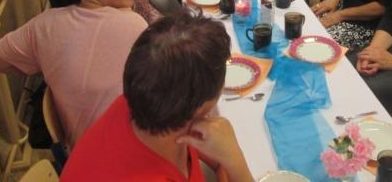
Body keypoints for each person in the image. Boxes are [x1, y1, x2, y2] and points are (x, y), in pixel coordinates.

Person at [0, 0, 148, 147]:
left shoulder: (44, 24)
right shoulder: (134, 25)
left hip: (77, 151)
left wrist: (47, 65)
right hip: (121, 150)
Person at [61, 10, 254, 182]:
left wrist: (225, 160)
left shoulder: (140, 100)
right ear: (202, 107)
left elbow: (217, 162)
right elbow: (221, 163)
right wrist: (235, 160)